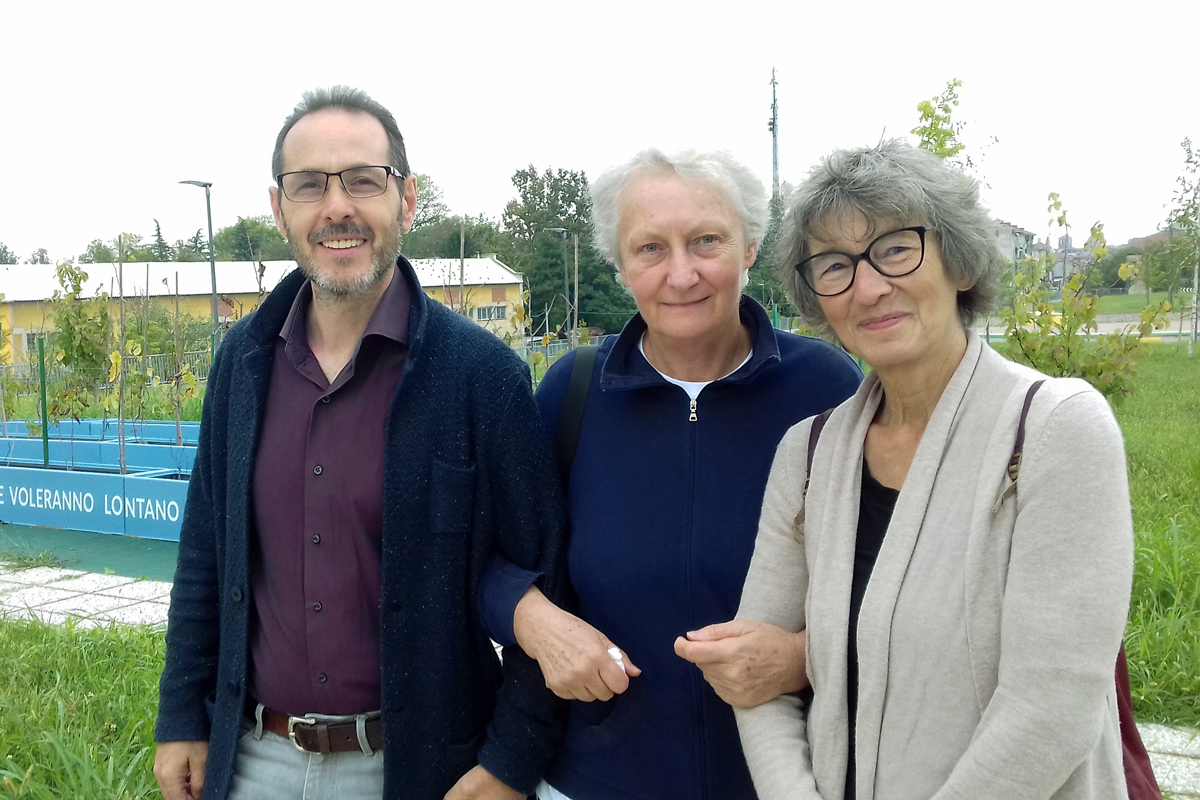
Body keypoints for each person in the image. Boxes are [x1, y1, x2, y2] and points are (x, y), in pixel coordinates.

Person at [153, 86, 566, 800]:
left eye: (363, 181)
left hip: (415, 769)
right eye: (309, 184)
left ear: (406, 201)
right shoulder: (242, 364)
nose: (336, 206)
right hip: (254, 760)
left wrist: (511, 761)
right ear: (280, 209)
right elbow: (205, 553)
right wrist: (180, 715)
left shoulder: (481, 377)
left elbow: (546, 578)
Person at [734, 140, 1133, 799]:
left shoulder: (1055, 430)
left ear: (960, 262)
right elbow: (757, 677)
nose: (868, 286)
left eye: (895, 248)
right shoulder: (807, 456)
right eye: (834, 264)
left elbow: (1051, 707)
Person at [480, 149, 863, 800]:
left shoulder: (827, 390)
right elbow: (486, 556)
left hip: (788, 782)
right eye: (650, 248)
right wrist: (532, 619)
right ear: (621, 264)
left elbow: (892, 579)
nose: (681, 273)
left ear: (749, 246)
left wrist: (802, 657)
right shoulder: (570, 395)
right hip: (595, 782)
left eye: (705, 241)